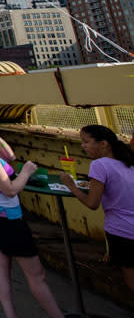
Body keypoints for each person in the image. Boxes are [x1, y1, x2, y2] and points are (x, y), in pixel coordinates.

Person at [0, 111, 65, 318]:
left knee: (0, 264)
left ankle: (10, 314)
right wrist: (25, 172)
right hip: (5, 216)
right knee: (36, 274)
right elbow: (9, 189)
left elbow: (9, 156)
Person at [61, 124, 134, 292]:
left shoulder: (99, 165)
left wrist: (71, 186)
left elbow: (92, 203)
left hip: (121, 231)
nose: (83, 146)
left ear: (103, 144)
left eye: (86, 142)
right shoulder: (128, 162)